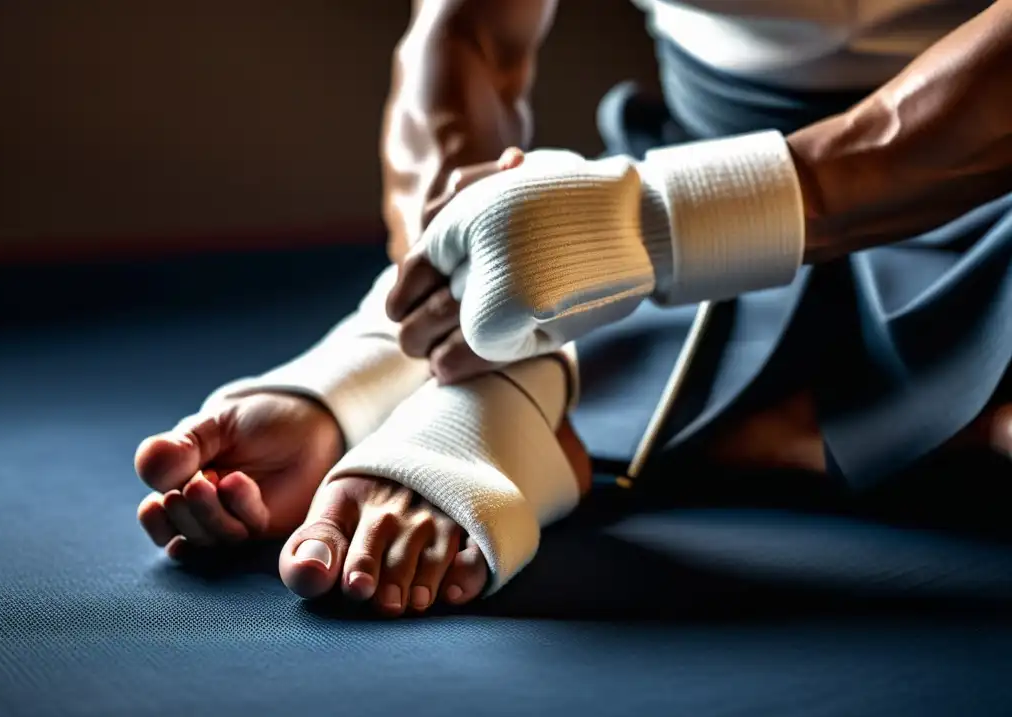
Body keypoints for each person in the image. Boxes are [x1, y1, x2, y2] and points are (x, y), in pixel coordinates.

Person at [135, 0, 1012, 616]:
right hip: (701, 161)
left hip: (982, 182)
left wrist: (660, 221)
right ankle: (489, 376)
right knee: (552, 267)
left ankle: (730, 416)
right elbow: (465, 34)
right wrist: (465, 299)